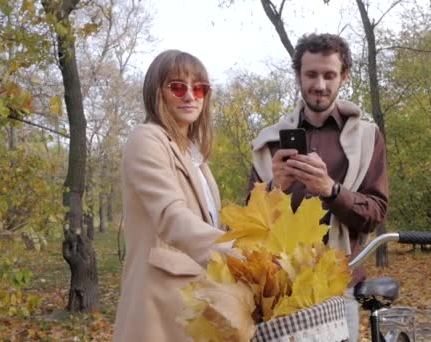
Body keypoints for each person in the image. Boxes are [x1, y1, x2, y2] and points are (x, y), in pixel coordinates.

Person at [247, 33, 389, 342]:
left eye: (329, 75)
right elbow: (248, 221)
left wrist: (331, 190)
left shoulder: (367, 137)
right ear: (298, 75)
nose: (320, 85)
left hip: (340, 284)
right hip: (278, 289)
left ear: (344, 76)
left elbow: (376, 212)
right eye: (311, 74)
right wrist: (276, 188)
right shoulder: (269, 142)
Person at [113, 50, 229, 341]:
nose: (190, 95)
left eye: (199, 88)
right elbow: (171, 215)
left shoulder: (195, 155)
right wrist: (233, 253)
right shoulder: (147, 139)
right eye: (178, 86)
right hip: (160, 307)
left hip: (197, 304)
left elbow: (212, 224)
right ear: (157, 92)